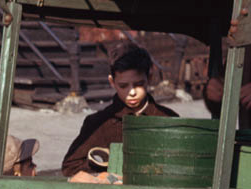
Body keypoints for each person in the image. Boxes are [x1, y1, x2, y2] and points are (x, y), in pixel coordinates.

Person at [61, 41, 178, 181]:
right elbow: (70, 166)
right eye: (123, 86)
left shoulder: (169, 119)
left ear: (150, 78)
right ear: (112, 82)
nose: (132, 92)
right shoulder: (99, 122)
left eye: (139, 84)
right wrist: (105, 168)